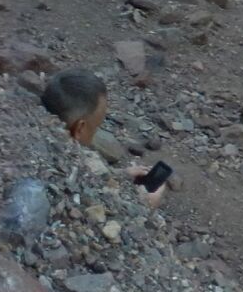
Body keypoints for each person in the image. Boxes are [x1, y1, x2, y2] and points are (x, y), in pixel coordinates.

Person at [41, 70, 165, 207]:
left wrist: (121, 175)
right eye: (96, 126)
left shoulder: (41, 143)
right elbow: (108, 210)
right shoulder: (68, 175)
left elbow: (91, 173)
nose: (96, 131)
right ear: (80, 129)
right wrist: (147, 202)